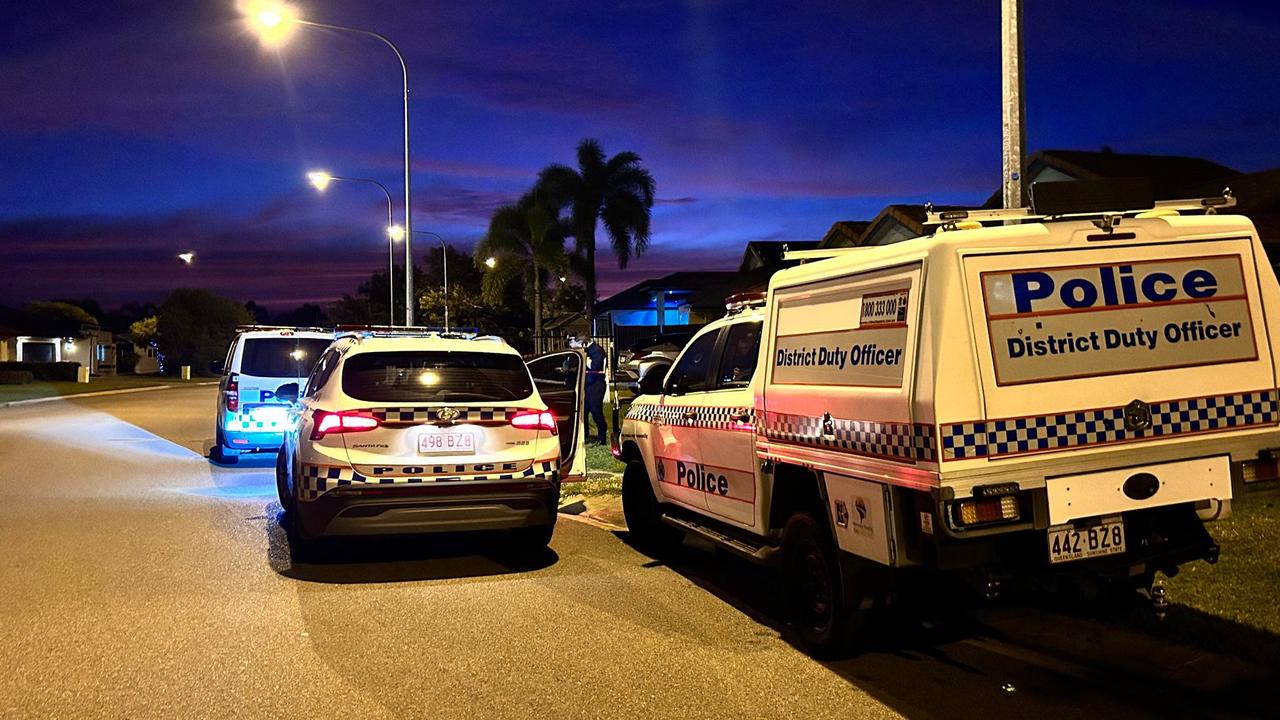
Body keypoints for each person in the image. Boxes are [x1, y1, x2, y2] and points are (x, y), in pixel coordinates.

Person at [583, 339, 607, 445]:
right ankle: (585, 435)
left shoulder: (597, 351)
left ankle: (602, 437)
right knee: (584, 411)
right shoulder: (588, 350)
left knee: (596, 411)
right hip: (588, 386)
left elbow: (594, 366)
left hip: (596, 386)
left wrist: (585, 359)